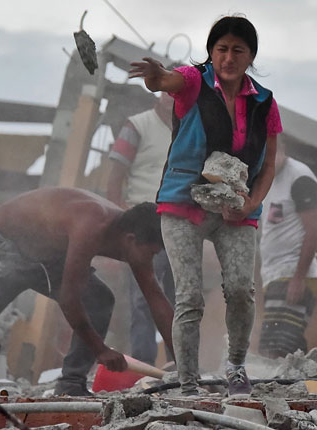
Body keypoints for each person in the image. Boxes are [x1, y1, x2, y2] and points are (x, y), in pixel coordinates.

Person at [129, 15, 282, 396]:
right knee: (190, 296)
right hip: (183, 203)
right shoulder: (195, 81)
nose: (228, 57)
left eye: (237, 50)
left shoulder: (265, 102)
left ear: (251, 57)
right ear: (212, 52)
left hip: (236, 210)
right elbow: (166, 80)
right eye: (221, 49)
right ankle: (189, 382)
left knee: (242, 291)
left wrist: (250, 204)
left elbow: (268, 167)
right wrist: (154, 77)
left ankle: (235, 367)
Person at [0, 188, 174, 396]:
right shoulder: (92, 224)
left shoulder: (134, 240)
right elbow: (69, 297)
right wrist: (100, 350)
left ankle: (71, 384)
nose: (151, 260)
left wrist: (182, 363)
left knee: (99, 300)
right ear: (131, 240)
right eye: (152, 254)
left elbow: (157, 300)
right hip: (3, 243)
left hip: (48, 256)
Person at [106, 93, 176, 366]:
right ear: (160, 94)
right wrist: (118, 222)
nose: (173, 98)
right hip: (147, 225)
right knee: (144, 299)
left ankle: (179, 366)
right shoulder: (137, 126)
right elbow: (115, 177)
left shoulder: (188, 128)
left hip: (180, 225)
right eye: (168, 91)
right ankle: (145, 367)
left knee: (180, 299)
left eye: (179, 91)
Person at [258, 138, 317, 358]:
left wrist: (298, 278)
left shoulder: (300, 178)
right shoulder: (267, 181)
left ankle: (290, 387)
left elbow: (313, 232)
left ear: (282, 148)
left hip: (293, 274)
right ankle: (294, 385)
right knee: (280, 346)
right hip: (274, 276)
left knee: (278, 346)